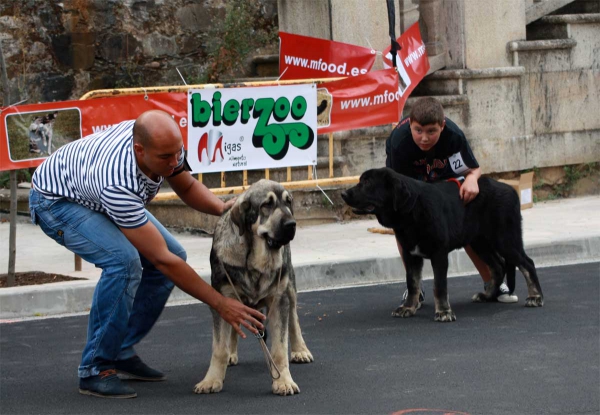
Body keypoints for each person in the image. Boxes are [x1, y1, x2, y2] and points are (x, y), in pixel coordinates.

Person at [29, 110, 265, 399]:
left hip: (89, 191)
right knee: (124, 263)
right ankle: (95, 368)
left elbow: (187, 184)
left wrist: (221, 208)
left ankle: (119, 348)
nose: (174, 161)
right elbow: (162, 260)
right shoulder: (117, 182)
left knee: (175, 252)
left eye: (177, 153)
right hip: (56, 201)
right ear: (139, 150)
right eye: (166, 157)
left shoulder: (164, 146)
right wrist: (221, 303)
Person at [385, 97, 518, 307]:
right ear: (410, 124)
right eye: (418, 130)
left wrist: (473, 180)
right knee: (403, 228)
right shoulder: (398, 142)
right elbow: (396, 184)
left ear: (442, 126)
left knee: (464, 224)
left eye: (431, 131)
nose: (424, 138)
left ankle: (492, 281)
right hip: (412, 184)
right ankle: (414, 290)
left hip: (444, 180)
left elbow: (472, 169)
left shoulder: (453, 136)